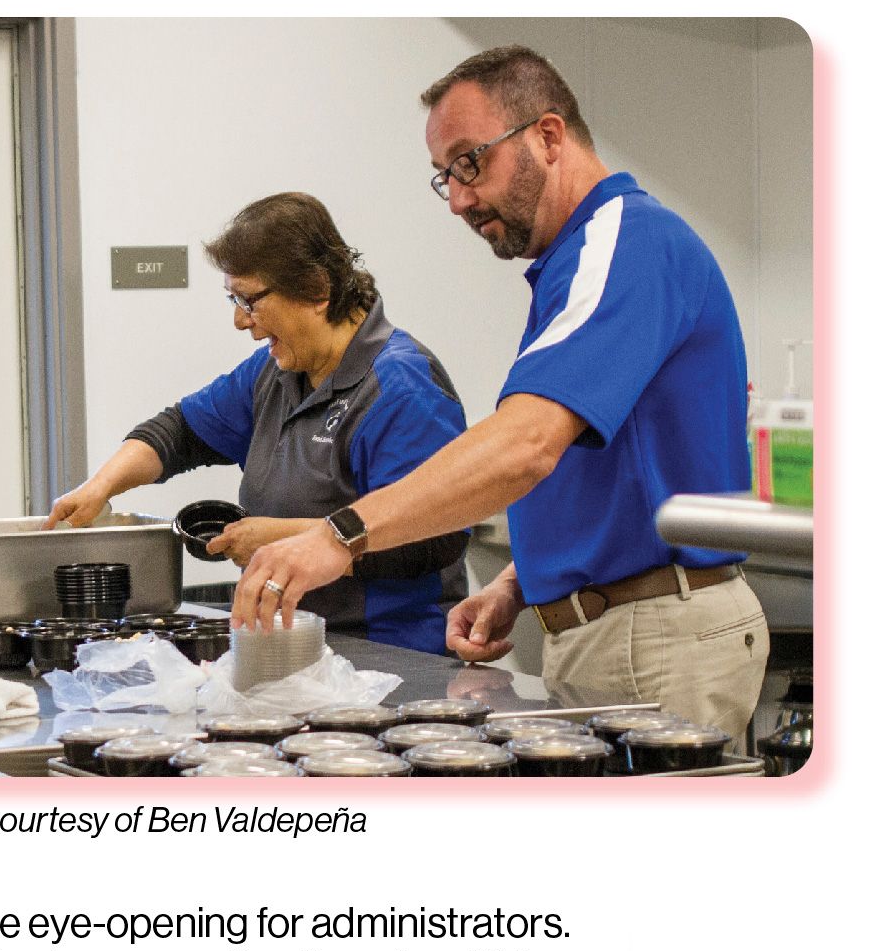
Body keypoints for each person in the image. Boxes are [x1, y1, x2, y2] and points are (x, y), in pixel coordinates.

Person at [231, 46, 768, 741]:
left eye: (468, 162)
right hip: (611, 628)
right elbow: (610, 468)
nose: (457, 198)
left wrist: (341, 534)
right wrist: (520, 583)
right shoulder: (572, 264)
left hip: (656, 636)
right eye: (443, 177)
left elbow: (525, 445)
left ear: (547, 136)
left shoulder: (626, 243)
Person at [46, 192, 469, 654]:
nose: (239, 321)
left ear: (316, 288)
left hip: (390, 654)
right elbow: (179, 432)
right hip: (295, 647)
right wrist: (100, 487)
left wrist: (286, 539)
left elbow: (430, 541)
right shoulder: (274, 373)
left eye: (249, 300)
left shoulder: (401, 389)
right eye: (233, 298)